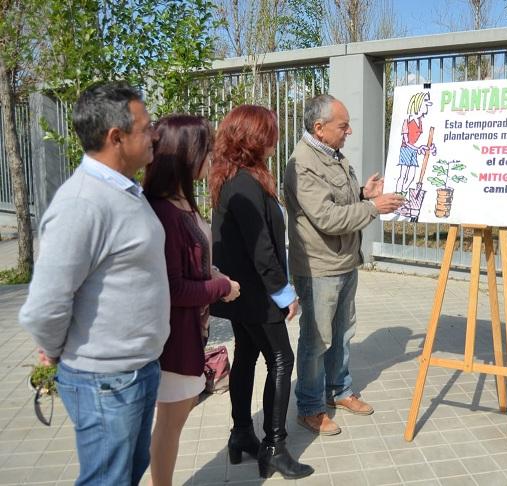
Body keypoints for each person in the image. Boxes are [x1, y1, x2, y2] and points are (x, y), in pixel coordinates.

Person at [18, 82, 170, 485]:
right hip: (105, 383)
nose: (154, 134)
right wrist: (52, 352)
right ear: (115, 138)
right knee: (108, 480)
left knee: (126, 473)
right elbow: (44, 306)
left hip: (134, 372)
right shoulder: (82, 204)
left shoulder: (123, 191)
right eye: (146, 127)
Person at [284, 94, 405, 435]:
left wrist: (364, 194)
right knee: (317, 339)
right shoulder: (303, 163)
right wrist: (373, 208)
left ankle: (339, 391)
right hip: (320, 266)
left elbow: (340, 200)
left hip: (343, 261)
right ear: (319, 128)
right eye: (343, 125)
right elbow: (326, 217)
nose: (349, 131)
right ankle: (309, 406)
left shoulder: (331, 155)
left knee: (342, 333)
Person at [209, 105, 314, 480]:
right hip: (255, 292)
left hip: (240, 292)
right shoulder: (246, 184)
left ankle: (241, 435)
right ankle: (275, 446)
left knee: (248, 356)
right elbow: (262, 248)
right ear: (252, 139)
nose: (273, 140)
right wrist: (285, 295)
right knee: (282, 359)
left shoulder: (231, 177)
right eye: (268, 134)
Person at [143, 115, 239, 486]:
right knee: (171, 422)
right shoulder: (164, 212)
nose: (212, 157)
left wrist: (211, 274)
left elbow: (192, 265)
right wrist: (222, 288)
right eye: (207, 149)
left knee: (174, 420)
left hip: (189, 332)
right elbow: (175, 289)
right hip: (174, 336)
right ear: (184, 153)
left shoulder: (183, 202)